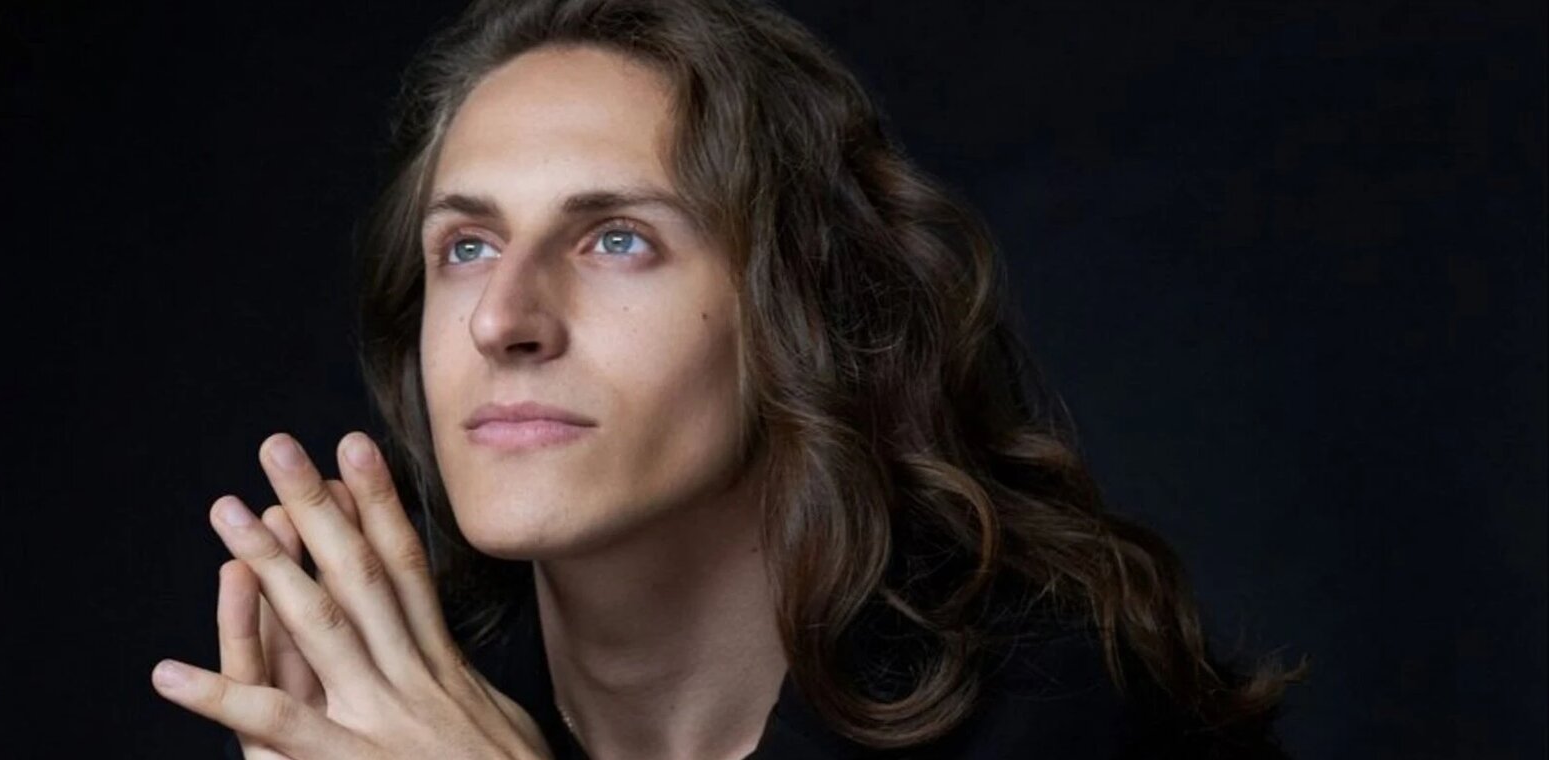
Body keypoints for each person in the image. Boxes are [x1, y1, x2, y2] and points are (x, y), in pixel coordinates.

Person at [150, 0, 1304, 757]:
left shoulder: (1059, 709)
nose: (501, 318)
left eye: (616, 239)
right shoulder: (395, 717)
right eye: (465, 245)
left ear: (798, 312)